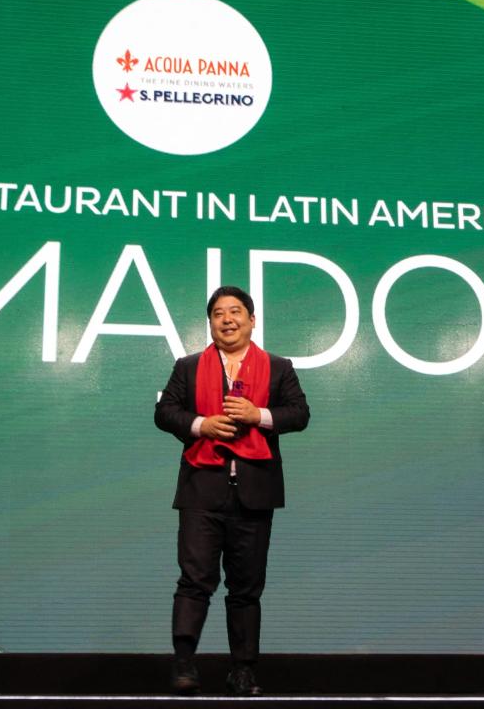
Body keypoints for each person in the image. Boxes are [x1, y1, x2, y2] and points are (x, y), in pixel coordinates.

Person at [154, 286, 310, 696]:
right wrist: (200, 425)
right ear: (210, 323)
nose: (227, 319)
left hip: (254, 492)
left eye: (236, 311)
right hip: (201, 490)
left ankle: (243, 670)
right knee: (194, 580)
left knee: (246, 588)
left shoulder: (278, 367)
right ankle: (184, 663)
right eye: (218, 313)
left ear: (252, 319)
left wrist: (258, 415)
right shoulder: (187, 367)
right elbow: (165, 412)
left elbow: (300, 413)